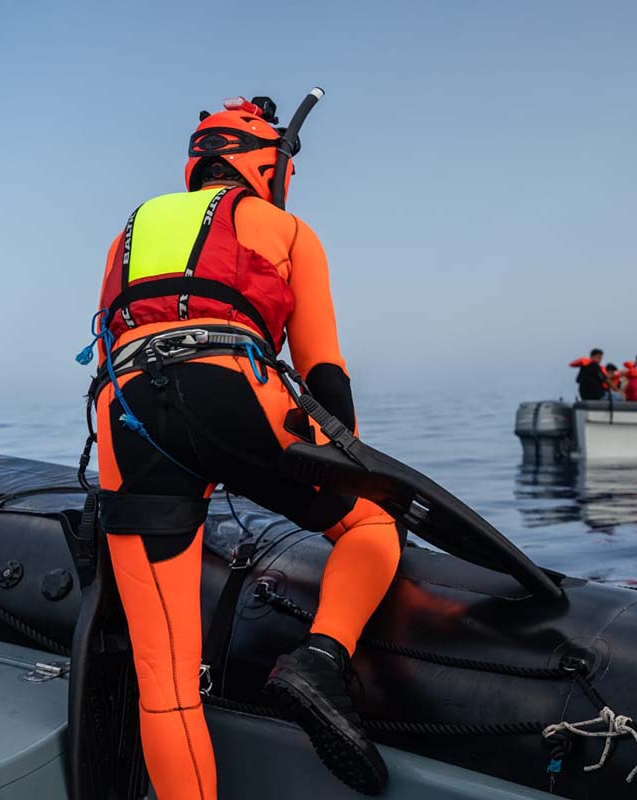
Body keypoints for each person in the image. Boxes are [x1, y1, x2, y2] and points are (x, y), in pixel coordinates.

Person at [88, 96, 400, 797]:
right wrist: (354, 464)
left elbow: (113, 337)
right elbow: (323, 372)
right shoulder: (285, 227)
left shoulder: (127, 233)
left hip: (127, 414)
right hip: (232, 383)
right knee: (371, 525)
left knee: (166, 688)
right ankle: (321, 660)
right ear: (267, 164)